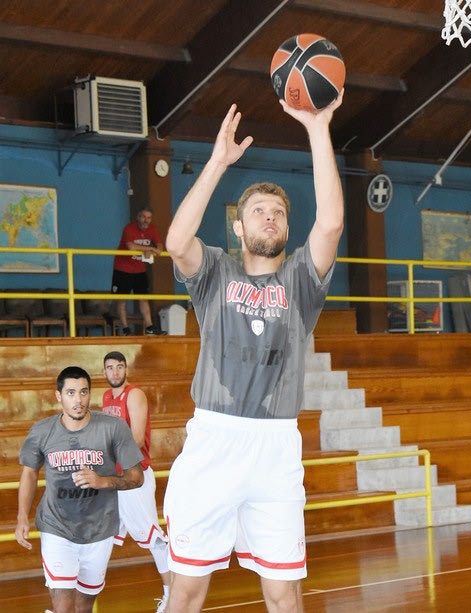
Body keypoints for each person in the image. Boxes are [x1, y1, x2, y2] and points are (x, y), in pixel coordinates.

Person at [163, 89, 344, 613]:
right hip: (214, 439)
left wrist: (318, 130)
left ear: (287, 229)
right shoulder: (215, 273)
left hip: (275, 447)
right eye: (259, 211)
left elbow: (331, 223)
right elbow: (176, 243)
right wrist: (218, 163)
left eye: (278, 213)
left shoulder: (301, 281)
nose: (270, 217)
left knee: (284, 593)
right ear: (238, 227)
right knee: (186, 590)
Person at [15, 366, 144, 613]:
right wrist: (22, 517)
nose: (78, 400)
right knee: (63, 604)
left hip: (99, 528)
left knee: (84, 606)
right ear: (58, 396)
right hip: (56, 526)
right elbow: (29, 473)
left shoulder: (113, 427)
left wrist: (103, 481)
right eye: (71, 393)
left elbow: (137, 477)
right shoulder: (42, 431)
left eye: (84, 392)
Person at [102, 350, 171, 613]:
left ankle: (172, 595)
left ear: (126, 369)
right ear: (104, 371)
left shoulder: (134, 395)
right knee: (102, 535)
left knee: (153, 538)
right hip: (115, 477)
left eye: (119, 367)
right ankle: (74, 595)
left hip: (134, 476)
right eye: (110, 368)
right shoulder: (107, 397)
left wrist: (104, 453)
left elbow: (137, 439)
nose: (115, 372)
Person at [111, 205, 167, 335]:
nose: (146, 220)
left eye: (149, 218)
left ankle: (149, 327)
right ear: (138, 217)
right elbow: (131, 246)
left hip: (139, 269)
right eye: (143, 217)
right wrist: (150, 248)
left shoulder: (152, 229)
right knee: (122, 299)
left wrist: (155, 249)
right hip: (123, 268)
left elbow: (159, 246)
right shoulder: (129, 228)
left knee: (143, 298)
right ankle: (125, 328)